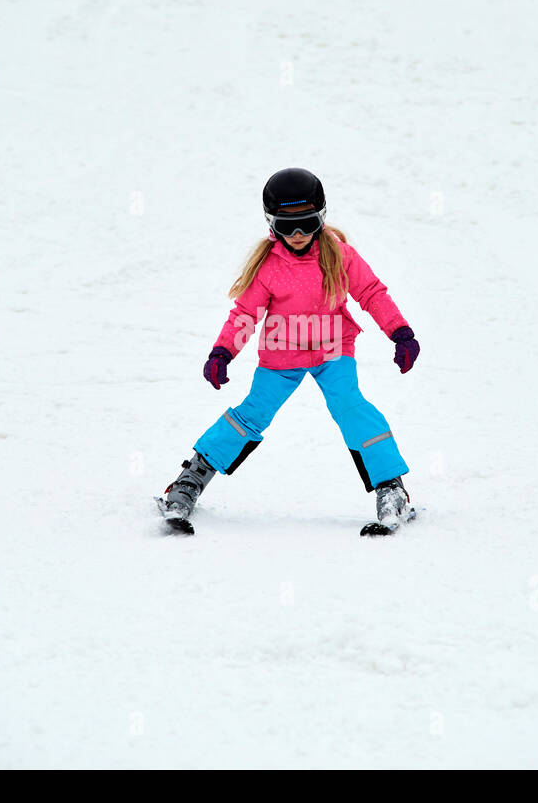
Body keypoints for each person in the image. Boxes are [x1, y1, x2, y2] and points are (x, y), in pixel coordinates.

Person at [159, 167, 421, 534]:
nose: (297, 235)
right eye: (286, 226)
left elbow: (371, 293)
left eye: (307, 223)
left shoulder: (340, 256)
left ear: (322, 217)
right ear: (271, 224)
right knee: (250, 414)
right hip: (281, 357)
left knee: (351, 407)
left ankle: (391, 487)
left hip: (333, 350)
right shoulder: (268, 266)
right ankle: (190, 480)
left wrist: (400, 332)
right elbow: (245, 313)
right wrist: (223, 352)